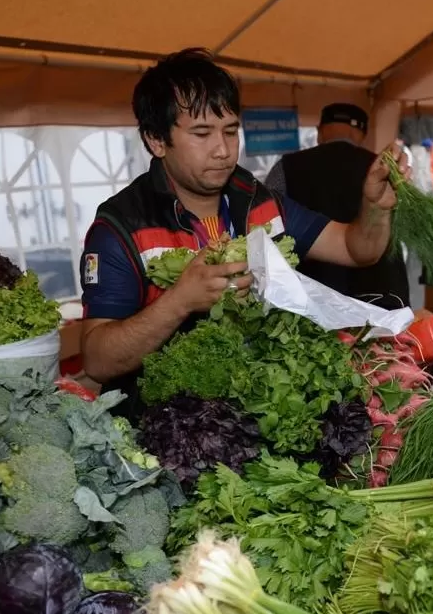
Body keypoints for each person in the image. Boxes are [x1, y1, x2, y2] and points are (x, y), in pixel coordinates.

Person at [78, 49, 407, 420]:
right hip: (164, 427)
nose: (222, 150)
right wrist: (179, 301)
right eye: (202, 133)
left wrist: (376, 207)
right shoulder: (121, 226)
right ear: (156, 140)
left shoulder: (258, 199)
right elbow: (98, 360)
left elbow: (355, 248)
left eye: (231, 131)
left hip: (260, 414)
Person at [264, 103, 410, 308]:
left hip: (310, 305)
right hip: (381, 299)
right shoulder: (385, 172)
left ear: (319, 132)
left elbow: (267, 229)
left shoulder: (286, 167)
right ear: (363, 134)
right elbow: (405, 230)